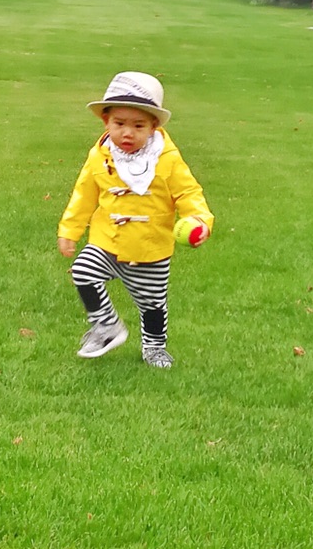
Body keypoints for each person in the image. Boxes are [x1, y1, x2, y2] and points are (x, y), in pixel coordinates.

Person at [56, 70, 213, 369]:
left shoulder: (165, 158)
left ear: (154, 126)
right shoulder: (100, 156)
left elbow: (188, 192)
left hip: (151, 249)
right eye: (119, 124)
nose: (127, 133)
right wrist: (70, 230)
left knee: (151, 305)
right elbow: (84, 194)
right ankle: (107, 326)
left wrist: (199, 219)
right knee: (82, 271)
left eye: (138, 126)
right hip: (108, 240)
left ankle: (154, 348)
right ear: (106, 122)